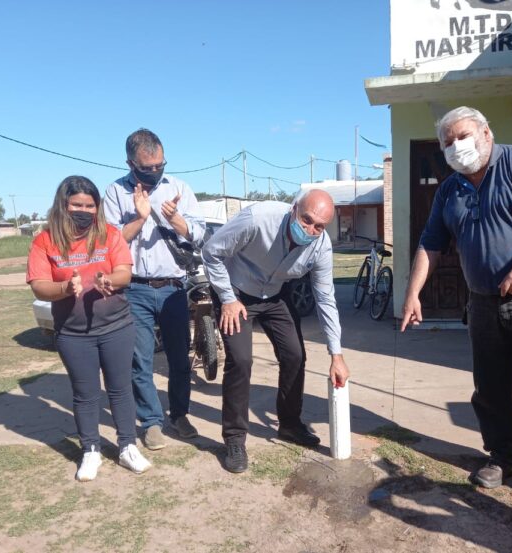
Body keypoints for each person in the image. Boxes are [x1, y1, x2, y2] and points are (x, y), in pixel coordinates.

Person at [400, 106, 512, 511]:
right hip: (483, 303)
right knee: (490, 387)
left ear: (485, 133)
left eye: (462, 136)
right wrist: (413, 294)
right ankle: (502, 457)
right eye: (447, 142)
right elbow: (430, 243)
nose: (456, 147)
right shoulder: (449, 190)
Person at [202, 190, 350, 473]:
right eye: (306, 220)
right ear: (294, 209)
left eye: (319, 226)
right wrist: (227, 298)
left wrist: (337, 353)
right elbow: (211, 252)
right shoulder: (257, 219)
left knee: (295, 354)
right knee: (241, 360)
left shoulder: (321, 247)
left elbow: (325, 298)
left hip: (274, 294)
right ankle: (234, 439)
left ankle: (290, 424)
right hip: (235, 291)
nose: (310, 230)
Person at [27, 176, 151, 481]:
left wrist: (111, 280)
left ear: (98, 207)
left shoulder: (109, 235)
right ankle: (91, 449)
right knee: (85, 393)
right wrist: (64, 288)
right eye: (77, 205)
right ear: (63, 205)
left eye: (90, 205)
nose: (84, 210)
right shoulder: (45, 240)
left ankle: (127, 446)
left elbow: (124, 271)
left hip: (116, 326)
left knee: (120, 389)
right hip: (73, 333)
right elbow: (39, 286)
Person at [104, 129, 206, 450]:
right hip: (134, 290)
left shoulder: (179, 188)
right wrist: (139, 217)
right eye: (146, 167)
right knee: (141, 360)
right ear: (130, 163)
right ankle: (151, 421)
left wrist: (177, 221)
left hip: (174, 288)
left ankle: (179, 414)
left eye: (159, 165)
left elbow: (199, 235)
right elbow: (109, 243)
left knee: (179, 357)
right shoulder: (115, 193)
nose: (154, 171)